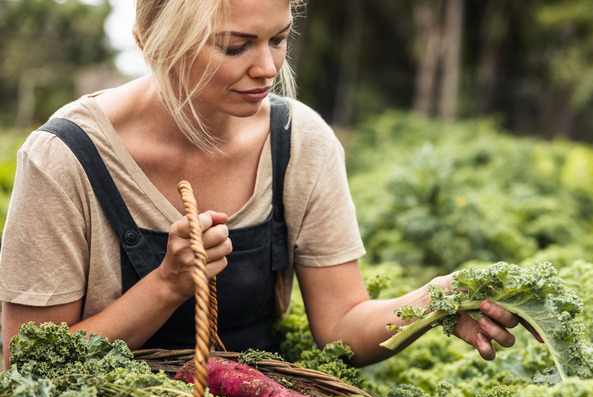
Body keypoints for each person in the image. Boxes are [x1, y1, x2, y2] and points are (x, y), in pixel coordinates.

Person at [0, 0, 526, 369]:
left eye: (278, 39)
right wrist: (166, 286)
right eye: (235, 46)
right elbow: (29, 361)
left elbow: (343, 325)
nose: (267, 67)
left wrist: (437, 300)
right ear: (155, 44)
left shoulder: (299, 141)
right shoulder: (65, 158)